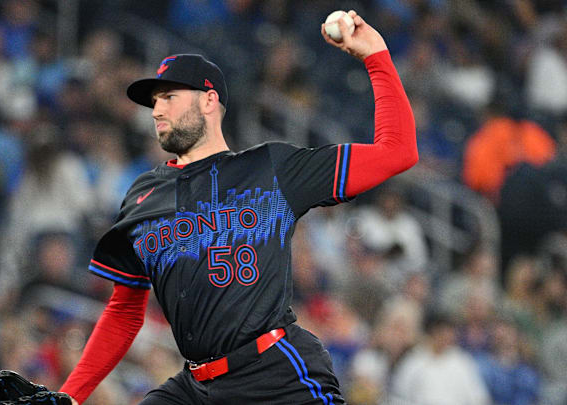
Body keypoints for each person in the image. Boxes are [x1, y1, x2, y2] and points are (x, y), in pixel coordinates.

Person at [59, 10, 417, 404]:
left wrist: (376, 56)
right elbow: (124, 311)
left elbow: (396, 151)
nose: (157, 110)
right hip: (196, 386)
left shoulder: (270, 168)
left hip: (276, 375)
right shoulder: (143, 195)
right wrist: (71, 396)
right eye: (155, 101)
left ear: (209, 100)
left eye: (169, 97)